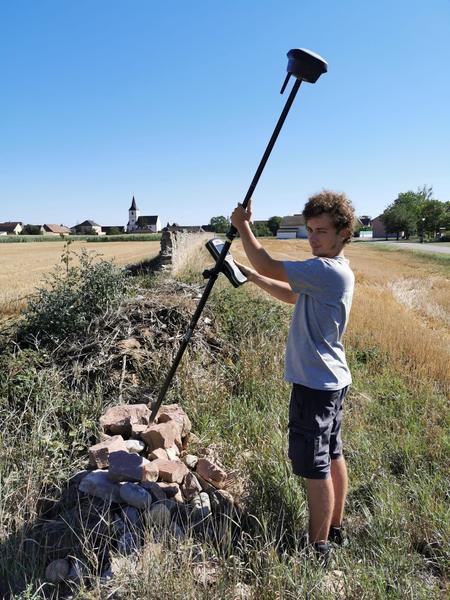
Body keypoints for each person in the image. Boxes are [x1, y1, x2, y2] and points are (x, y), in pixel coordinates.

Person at [231, 190, 355, 563]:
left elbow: (270, 263)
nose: (313, 238)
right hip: (332, 381)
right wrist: (250, 276)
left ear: (342, 232)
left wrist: (243, 227)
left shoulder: (327, 270)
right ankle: (335, 529)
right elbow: (289, 294)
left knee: (314, 467)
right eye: (310, 230)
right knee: (332, 454)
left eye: (321, 231)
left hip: (315, 385)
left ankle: (318, 549)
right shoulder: (331, 273)